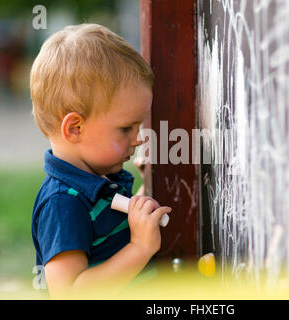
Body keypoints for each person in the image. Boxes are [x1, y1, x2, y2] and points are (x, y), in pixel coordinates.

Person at [30, 24, 171, 298]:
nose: (138, 138)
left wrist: (143, 195)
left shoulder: (100, 182)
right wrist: (140, 247)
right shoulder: (63, 203)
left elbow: (113, 229)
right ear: (75, 129)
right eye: (126, 128)